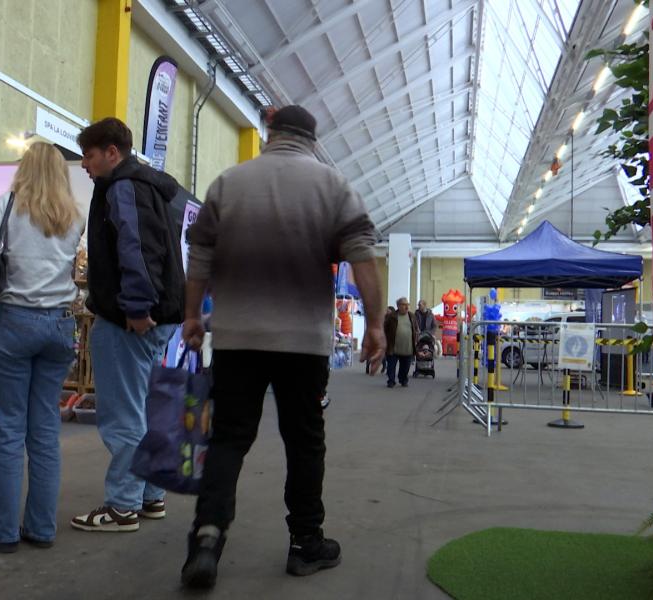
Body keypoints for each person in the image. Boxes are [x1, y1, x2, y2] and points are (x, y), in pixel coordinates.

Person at [179, 105, 386, 589]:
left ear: (269, 135)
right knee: (304, 440)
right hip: (303, 343)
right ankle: (305, 544)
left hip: (236, 337)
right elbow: (364, 256)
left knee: (229, 438)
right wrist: (375, 324)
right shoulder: (333, 186)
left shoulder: (228, 183)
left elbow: (199, 256)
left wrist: (192, 315)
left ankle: (206, 539)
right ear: (312, 140)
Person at [0, 142, 83, 553]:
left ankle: (2, 532)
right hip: (60, 325)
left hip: (14, 321)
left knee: (10, 430)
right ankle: (42, 528)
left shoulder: (9, 205)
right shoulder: (73, 216)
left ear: (26, 168)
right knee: (46, 428)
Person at [71, 118, 185, 532]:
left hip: (130, 320)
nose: (84, 164)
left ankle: (122, 506)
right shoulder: (151, 187)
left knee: (124, 416)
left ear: (112, 152)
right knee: (145, 409)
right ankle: (149, 496)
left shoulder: (123, 188)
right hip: (159, 319)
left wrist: (136, 306)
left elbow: (136, 249)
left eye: (88, 155)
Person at [383, 297, 418, 388]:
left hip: (407, 347)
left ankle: (403, 379)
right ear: (398, 306)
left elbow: (416, 329)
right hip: (393, 347)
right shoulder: (392, 316)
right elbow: (384, 328)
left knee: (405, 367)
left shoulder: (412, 316)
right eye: (404, 305)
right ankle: (391, 381)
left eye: (408, 305)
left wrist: (416, 340)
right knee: (391, 366)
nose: (407, 307)